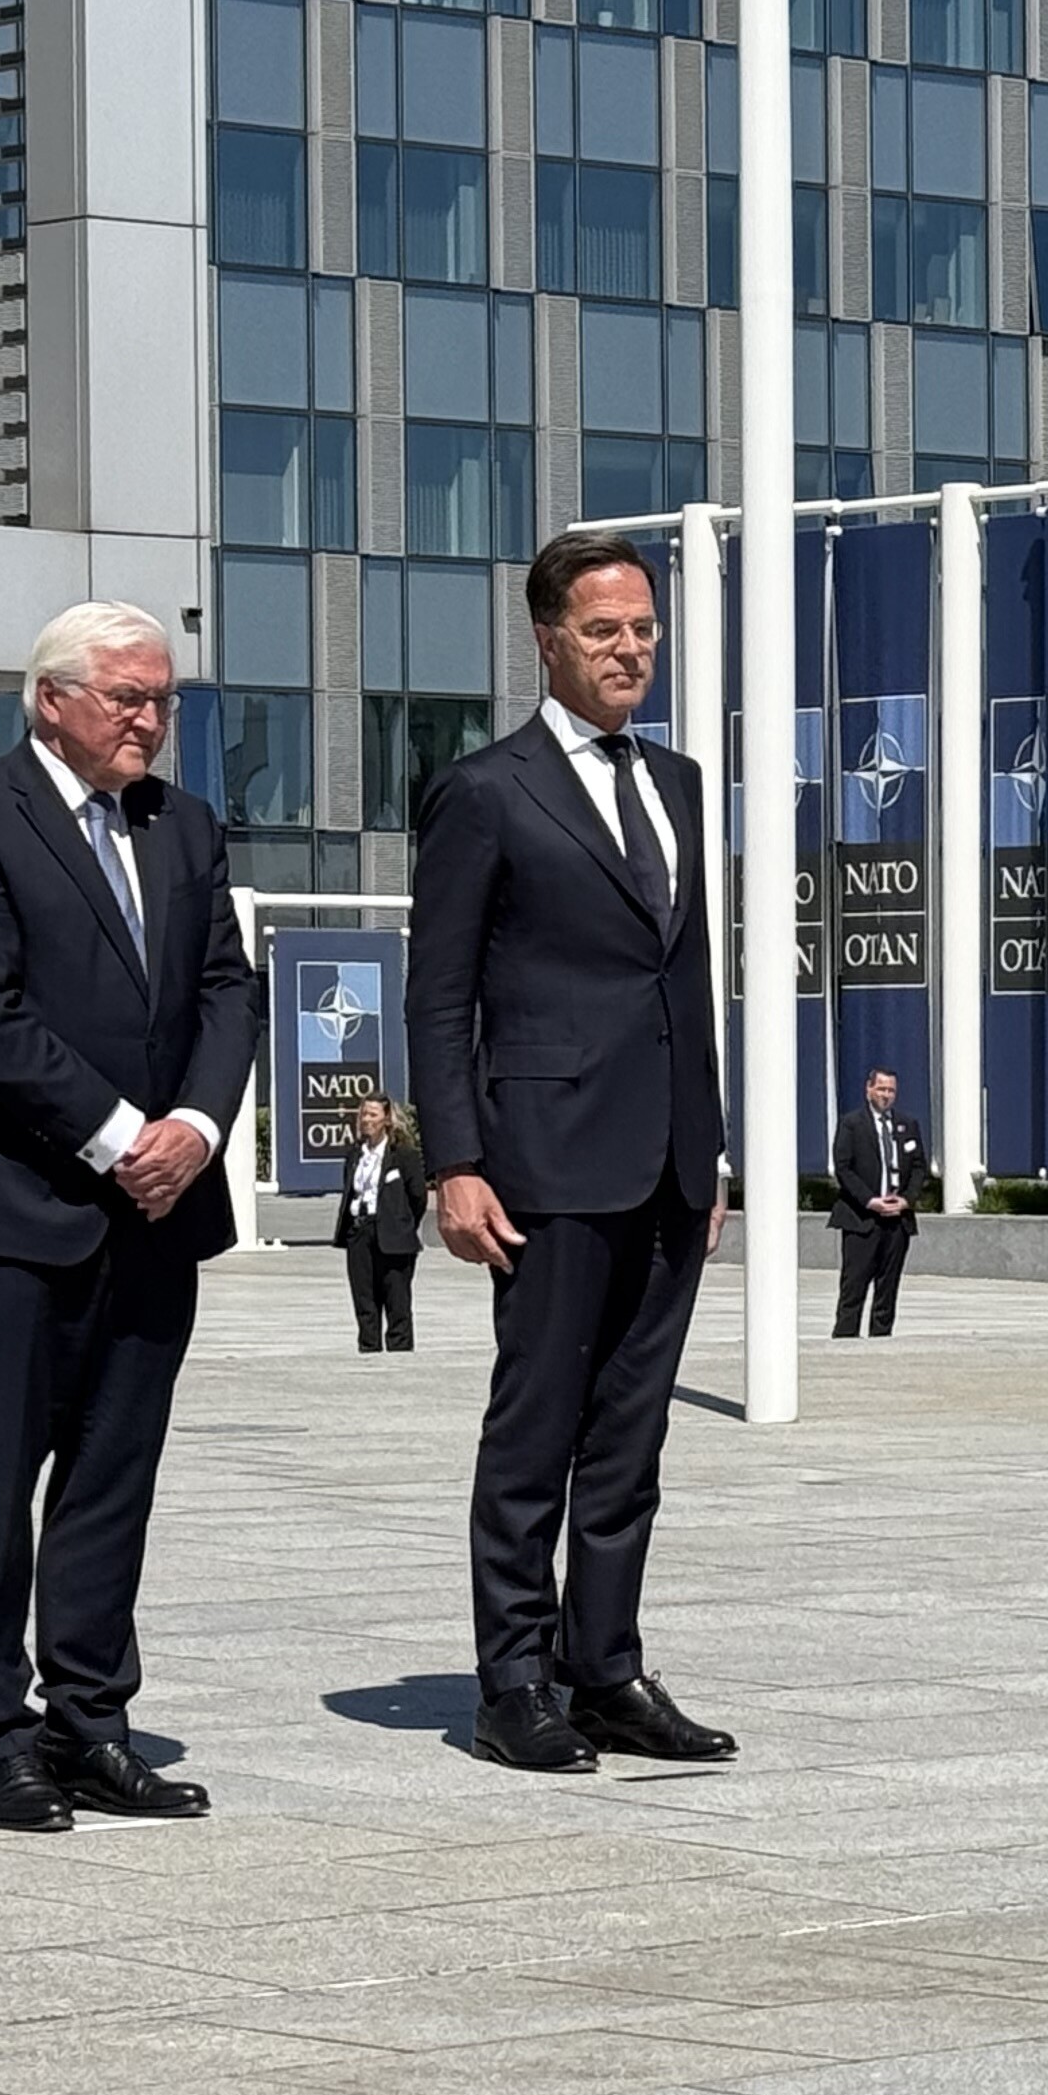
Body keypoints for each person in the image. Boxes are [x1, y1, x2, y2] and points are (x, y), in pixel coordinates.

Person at [0, 600, 258, 1831]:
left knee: (112, 1482)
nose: (153, 720)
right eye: (129, 699)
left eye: (166, 700)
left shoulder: (187, 829)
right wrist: (117, 1141)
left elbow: (225, 992)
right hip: (3, 1210)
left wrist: (195, 1133)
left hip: (157, 1217)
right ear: (52, 699)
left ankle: (90, 1724)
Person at [407, 531, 738, 1780]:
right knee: (535, 1428)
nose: (629, 651)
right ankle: (514, 1682)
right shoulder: (488, 790)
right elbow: (439, 998)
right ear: (547, 638)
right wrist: (457, 1161)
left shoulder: (685, 786)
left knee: (632, 1435)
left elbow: (686, 980)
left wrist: (706, 1155)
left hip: (664, 1161)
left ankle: (606, 1667)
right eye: (604, 632)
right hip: (541, 1159)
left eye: (643, 629)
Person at [828, 1066, 926, 1339]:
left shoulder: (908, 1124)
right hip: (863, 1219)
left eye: (891, 1090)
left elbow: (919, 1167)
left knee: (888, 1287)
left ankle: (881, 1339)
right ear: (868, 1089)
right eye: (881, 1089)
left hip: (897, 1221)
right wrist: (870, 1201)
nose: (886, 1095)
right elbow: (843, 1168)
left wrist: (906, 1200)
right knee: (854, 1286)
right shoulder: (852, 1124)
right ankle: (845, 1339)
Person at [335, 1095, 426, 1352]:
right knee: (365, 1301)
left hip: (393, 1235)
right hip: (360, 1232)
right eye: (363, 1114)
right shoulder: (355, 1154)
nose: (366, 1120)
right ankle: (368, 1351)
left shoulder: (403, 1155)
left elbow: (417, 1196)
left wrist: (403, 1223)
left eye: (373, 1115)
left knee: (397, 1302)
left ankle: (399, 1354)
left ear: (386, 1119)